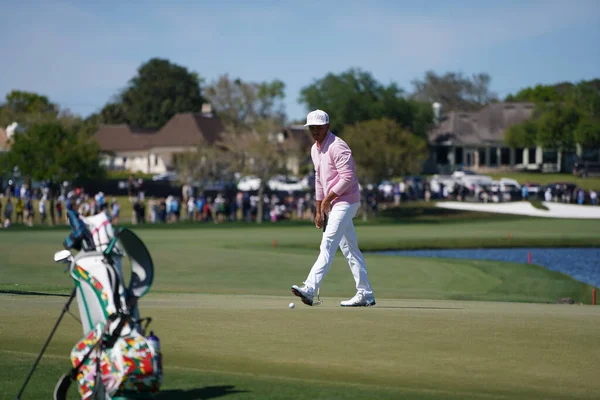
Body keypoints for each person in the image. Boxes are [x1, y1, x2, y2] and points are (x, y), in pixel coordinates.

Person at [291, 109, 375, 307]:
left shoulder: (338, 146)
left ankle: (310, 289)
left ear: (327, 126)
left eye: (319, 127)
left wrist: (328, 199)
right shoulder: (314, 149)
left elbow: (348, 178)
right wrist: (319, 209)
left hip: (347, 201)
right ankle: (366, 293)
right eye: (312, 128)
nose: (315, 131)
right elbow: (319, 180)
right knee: (350, 249)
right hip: (332, 202)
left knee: (328, 242)